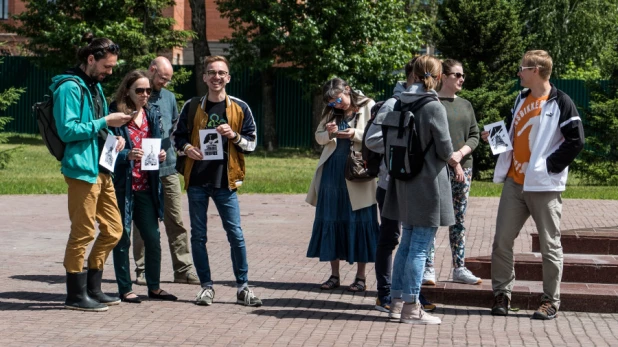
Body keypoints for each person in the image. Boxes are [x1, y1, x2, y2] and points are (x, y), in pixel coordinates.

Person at [484, 50, 584, 320]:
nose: (519, 72)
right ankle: (502, 295)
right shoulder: (520, 98)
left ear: (536, 70)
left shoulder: (561, 102)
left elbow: (576, 141)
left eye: (522, 68)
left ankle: (550, 301)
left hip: (544, 186)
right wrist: (492, 137)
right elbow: (511, 134)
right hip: (515, 184)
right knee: (502, 241)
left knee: (550, 244)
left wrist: (547, 167)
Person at [366, 55, 454, 325]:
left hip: (401, 180)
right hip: (427, 183)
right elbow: (445, 148)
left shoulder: (400, 100)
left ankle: (396, 304)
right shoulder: (433, 106)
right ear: (437, 78)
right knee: (419, 247)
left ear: (414, 74)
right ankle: (413, 308)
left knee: (405, 243)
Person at [173, 55, 261, 307]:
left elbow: (252, 143)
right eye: (211, 72)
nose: (216, 77)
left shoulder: (240, 108)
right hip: (198, 181)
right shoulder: (191, 106)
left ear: (228, 78)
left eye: (221, 73)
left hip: (227, 181)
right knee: (198, 236)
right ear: (204, 77)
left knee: (235, 234)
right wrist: (187, 148)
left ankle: (243, 287)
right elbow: (176, 138)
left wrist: (233, 135)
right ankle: (206, 287)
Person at [53, 34, 132, 312]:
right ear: (91, 59)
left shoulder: (94, 86)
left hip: (102, 167)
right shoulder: (69, 87)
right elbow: (68, 129)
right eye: (107, 66)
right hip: (81, 170)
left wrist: (113, 136)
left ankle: (93, 288)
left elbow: (96, 126)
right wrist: (105, 120)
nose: (110, 72)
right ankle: (75, 295)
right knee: (83, 231)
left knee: (113, 229)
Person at [371, 58, 436, 313]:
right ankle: (385, 294)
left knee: (410, 239)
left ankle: (410, 294)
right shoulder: (393, 103)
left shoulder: (426, 103)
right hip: (391, 183)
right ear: (413, 76)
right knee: (391, 238)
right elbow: (373, 139)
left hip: (412, 183)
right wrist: (403, 148)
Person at [109, 70, 177, 303]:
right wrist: (127, 154)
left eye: (148, 90)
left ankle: (155, 287)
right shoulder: (115, 116)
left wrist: (159, 154)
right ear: (128, 90)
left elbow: (158, 145)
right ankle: (125, 288)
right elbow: (105, 152)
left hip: (147, 186)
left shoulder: (152, 114)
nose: (145, 94)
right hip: (122, 187)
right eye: (139, 90)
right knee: (122, 238)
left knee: (153, 237)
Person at [306, 78, 379, 293]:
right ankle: (334, 275)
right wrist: (329, 132)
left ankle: (360, 277)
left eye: (338, 99)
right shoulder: (331, 111)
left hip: (358, 173)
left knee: (360, 221)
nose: (336, 105)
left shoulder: (368, 105)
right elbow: (319, 138)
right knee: (332, 220)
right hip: (332, 174)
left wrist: (354, 134)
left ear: (347, 89)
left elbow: (376, 136)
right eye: (331, 102)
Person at [132, 57, 199, 286]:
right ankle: (141, 270)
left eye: (168, 79)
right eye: (162, 78)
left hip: (168, 167)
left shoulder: (169, 98)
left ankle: (183, 269)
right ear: (152, 70)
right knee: (143, 221)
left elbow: (174, 130)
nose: (165, 83)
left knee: (176, 219)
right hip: (142, 169)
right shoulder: (136, 94)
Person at [422, 59, 481, 286]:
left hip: (463, 169)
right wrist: (450, 158)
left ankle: (459, 267)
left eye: (462, 75)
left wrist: (460, 154)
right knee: (433, 218)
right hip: (438, 170)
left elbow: (474, 134)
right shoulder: (433, 103)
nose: (461, 79)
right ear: (443, 77)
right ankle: (428, 267)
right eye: (456, 75)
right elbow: (432, 137)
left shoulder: (466, 105)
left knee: (458, 219)